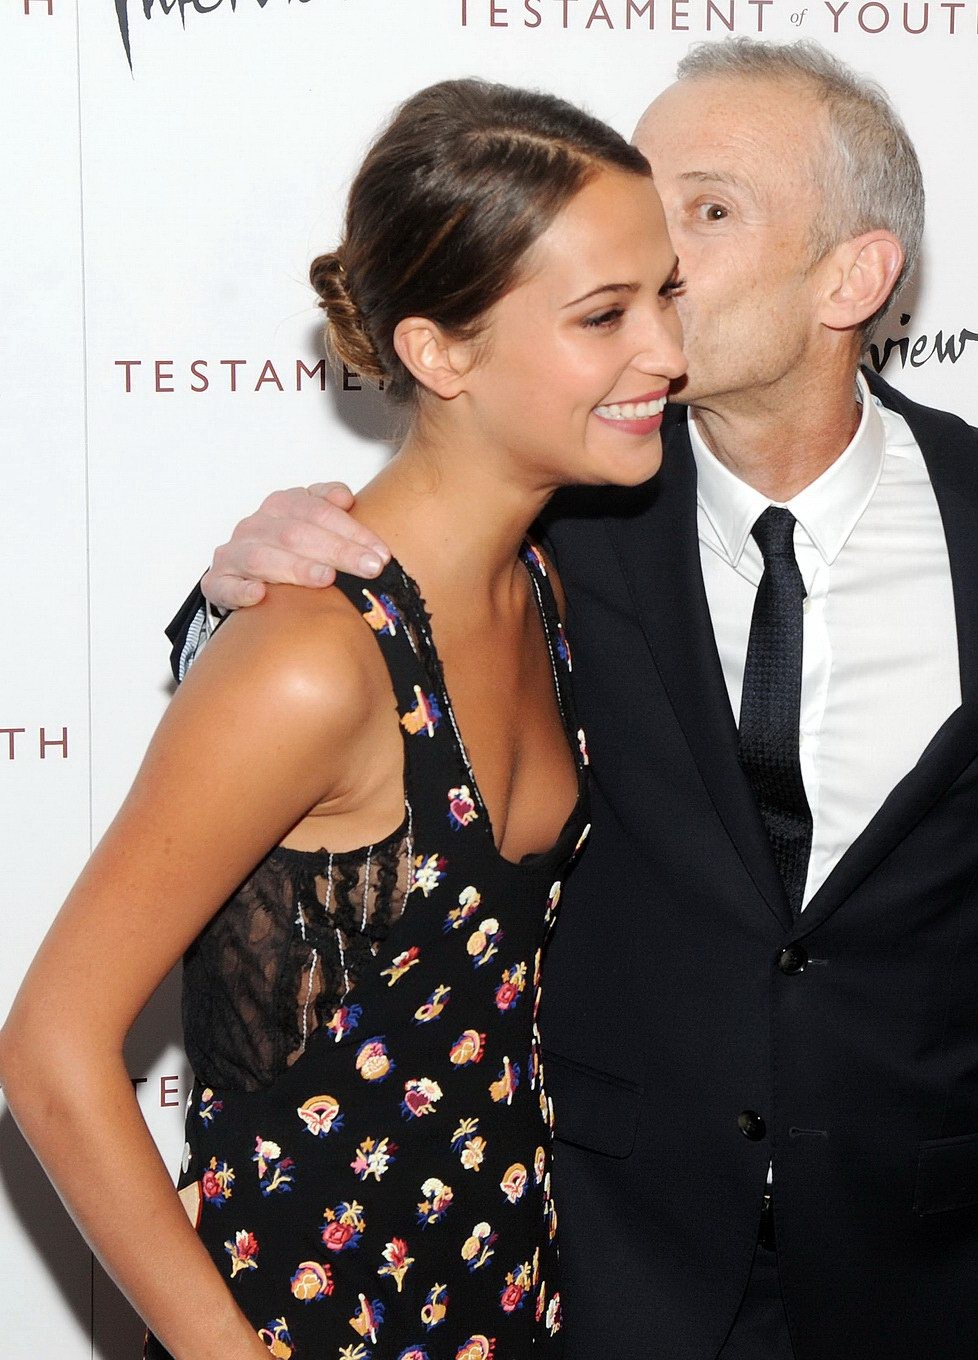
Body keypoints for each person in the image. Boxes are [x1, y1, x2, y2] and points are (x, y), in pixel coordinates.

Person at [163, 39, 978, 1360]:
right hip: (603, 1260)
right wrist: (246, 574)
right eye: (639, 198)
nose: (649, 245)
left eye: (710, 209)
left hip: (934, 1266)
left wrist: (904, 963)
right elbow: (325, 693)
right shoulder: (545, 522)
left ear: (854, 274)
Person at [0, 79, 685, 1360]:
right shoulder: (315, 659)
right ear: (439, 352)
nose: (667, 350)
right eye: (606, 314)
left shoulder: (543, 578)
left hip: (501, 1311)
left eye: (667, 296)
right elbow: (51, 1045)